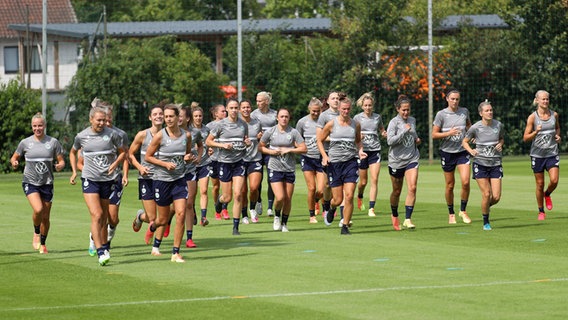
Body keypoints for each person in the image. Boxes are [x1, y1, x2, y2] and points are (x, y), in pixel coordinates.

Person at [69, 105, 126, 266]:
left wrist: (115, 164)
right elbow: (72, 153)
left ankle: (100, 243)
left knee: (105, 218)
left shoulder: (112, 135)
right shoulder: (82, 136)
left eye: (104, 120)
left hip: (107, 180)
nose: (102, 123)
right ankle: (101, 251)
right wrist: (74, 171)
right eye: (98, 120)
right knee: (97, 214)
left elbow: (123, 152)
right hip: (90, 179)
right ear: (91, 120)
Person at [10, 113, 65, 254]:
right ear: (31, 126)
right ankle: (36, 232)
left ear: (44, 126)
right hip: (30, 182)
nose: (37, 128)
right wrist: (15, 163)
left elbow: (61, 160)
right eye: (35, 126)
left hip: (47, 183)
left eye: (40, 125)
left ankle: (43, 243)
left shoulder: (53, 142)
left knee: (46, 217)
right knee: (38, 209)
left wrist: (60, 165)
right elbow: (14, 157)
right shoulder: (25, 143)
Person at [144, 104, 193, 262]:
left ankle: (175, 252)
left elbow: (186, 155)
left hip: (179, 180)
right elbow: (148, 157)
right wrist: (165, 164)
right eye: (166, 117)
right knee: (162, 220)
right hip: (161, 180)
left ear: (178, 118)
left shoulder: (186, 136)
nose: (168, 119)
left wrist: (187, 158)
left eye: (171, 116)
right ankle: (153, 228)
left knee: (181, 214)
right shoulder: (160, 135)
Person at [317, 96, 366, 235]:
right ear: (339, 109)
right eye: (343, 109)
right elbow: (319, 140)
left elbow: (358, 141)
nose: (345, 111)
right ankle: (331, 208)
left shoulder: (355, 124)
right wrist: (325, 156)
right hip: (335, 164)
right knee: (338, 199)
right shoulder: (332, 124)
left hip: (350, 163)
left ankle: (345, 225)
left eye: (348, 109)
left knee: (349, 196)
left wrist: (361, 151)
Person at [206, 98, 251, 236]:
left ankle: (235, 227)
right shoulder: (220, 125)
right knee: (227, 197)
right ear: (227, 109)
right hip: (224, 163)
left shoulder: (243, 124)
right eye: (231, 108)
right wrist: (222, 145)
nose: (234, 110)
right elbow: (208, 141)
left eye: (236, 108)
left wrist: (247, 143)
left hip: (239, 162)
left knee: (238, 194)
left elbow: (244, 141)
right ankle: (220, 202)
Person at [260, 108, 307, 232]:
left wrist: (290, 150)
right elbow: (261, 147)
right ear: (277, 118)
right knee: (280, 197)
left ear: (289, 118)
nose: (284, 119)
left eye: (286, 116)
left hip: (289, 169)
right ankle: (276, 216)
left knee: (287, 198)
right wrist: (271, 152)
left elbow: (304, 148)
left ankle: (284, 223)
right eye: (282, 116)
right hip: (275, 167)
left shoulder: (293, 132)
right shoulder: (271, 131)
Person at [130, 103, 167, 256]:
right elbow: (130, 154)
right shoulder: (143, 135)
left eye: (161, 114)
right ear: (150, 117)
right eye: (155, 114)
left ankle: (156, 248)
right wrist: (140, 167)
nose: (158, 116)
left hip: (164, 178)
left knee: (163, 215)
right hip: (146, 178)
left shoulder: (170, 135)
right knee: (152, 217)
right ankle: (140, 216)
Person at [432, 89, 473, 224]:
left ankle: (463, 210)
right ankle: (451, 213)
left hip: (462, 151)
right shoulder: (441, 115)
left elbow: (469, 126)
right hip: (447, 152)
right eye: (453, 99)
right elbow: (434, 135)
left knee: (466, 181)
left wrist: (472, 136)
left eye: (457, 99)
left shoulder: (464, 111)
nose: (455, 101)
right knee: (450, 185)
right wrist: (448, 133)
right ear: (447, 99)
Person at [462, 100, 504, 231]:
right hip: (480, 164)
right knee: (486, 194)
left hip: (496, 163)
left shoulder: (498, 125)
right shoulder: (475, 127)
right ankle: (486, 221)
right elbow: (465, 142)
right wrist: (471, 151)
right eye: (487, 110)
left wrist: (501, 143)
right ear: (481, 113)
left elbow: (502, 138)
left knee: (495, 197)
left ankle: (485, 207)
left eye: (491, 110)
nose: (490, 112)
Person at [522, 90, 560, 220]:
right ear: (537, 100)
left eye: (547, 99)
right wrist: (535, 132)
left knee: (554, 180)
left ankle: (547, 194)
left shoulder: (554, 115)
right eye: (543, 99)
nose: (545, 101)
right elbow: (525, 138)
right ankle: (541, 211)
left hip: (552, 153)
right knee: (539, 184)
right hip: (537, 155)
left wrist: (557, 136)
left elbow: (557, 128)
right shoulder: (532, 117)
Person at [386, 95, 421, 231]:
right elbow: (390, 141)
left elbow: (413, 134)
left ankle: (407, 219)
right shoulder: (393, 123)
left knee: (412, 187)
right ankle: (394, 215)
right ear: (398, 109)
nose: (406, 113)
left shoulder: (412, 120)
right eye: (403, 110)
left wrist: (416, 139)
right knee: (396, 191)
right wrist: (403, 131)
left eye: (408, 110)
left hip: (412, 158)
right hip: (396, 161)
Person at [101, 101, 130, 246]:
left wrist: (125, 175)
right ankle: (99, 242)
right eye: (103, 119)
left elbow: (125, 156)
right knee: (100, 214)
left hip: (115, 179)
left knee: (113, 218)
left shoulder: (120, 134)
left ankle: (108, 235)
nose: (106, 122)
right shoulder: (94, 135)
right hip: (98, 180)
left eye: (108, 118)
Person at [353, 92, 387, 217]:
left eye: (370, 105)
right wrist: (358, 136)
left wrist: (384, 133)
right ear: (362, 106)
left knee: (375, 179)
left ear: (373, 106)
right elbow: (352, 132)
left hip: (375, 150)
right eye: (366, 105)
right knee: (362, 182)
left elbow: (381, 129)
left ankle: (371, 208)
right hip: (362, 152)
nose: (368, 108)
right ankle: (360, 196)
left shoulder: (377, 117)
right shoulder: (357, 118)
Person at [296, 97, 325, 223]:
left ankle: (317, 200)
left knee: (321, 189)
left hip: (321, 158)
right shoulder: (302, 122)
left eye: (318, 111)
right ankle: (312, 215)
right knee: (311, 188)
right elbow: (296, 139)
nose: (316, 113)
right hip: (307, 158)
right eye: (313, 111)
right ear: (309, 109)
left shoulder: (324, 121)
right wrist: (301, 148)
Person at [180, 105, 203, 248]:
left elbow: (200, 146)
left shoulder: (194, 133)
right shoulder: (168, 133)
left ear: (187, 118)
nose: (178, 118)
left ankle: (189, 238)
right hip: (173, 173)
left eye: (181, 115)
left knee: (189, 204)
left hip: (189, 171)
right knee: (173, 207)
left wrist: (199, 157)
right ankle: (165, 222)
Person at [251, 91, 277, 217]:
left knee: (271, 178)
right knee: (258, 179)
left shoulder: (275, 115)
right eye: (257, 101)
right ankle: (259, 201)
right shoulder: (253, 115)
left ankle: (270, 207)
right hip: (257, 150)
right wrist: (256, 136)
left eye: (260, 101)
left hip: (270, 150)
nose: (258, 103)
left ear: (267, 101)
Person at [316, 91, 341, 217]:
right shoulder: (324, 116)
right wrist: (335, 138)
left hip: (342, 154)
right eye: (333, 98)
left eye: (337, 98)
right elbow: (319, 137)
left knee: (341, 182)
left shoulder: (344, 114)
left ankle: (337, 206)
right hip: (327, 153)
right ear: (328, 101)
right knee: (326, 184)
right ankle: (326, 204)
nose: (336, 100)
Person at [239, 99, 263, 224]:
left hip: (255, 158)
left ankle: (252, 209)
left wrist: (260, 138)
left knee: (254, 188)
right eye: (243, 107)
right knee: (243, 191)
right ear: (239, 109)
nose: (246, 109)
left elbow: (261, 139)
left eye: (248, 107)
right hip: (241, 160)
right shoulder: (237, 124)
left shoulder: (257, 123)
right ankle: (244, 214)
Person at [191, 106, 212, 226]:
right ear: (192, 117)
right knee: (192, 194)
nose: (198, 118)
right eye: (196, 116)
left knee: (204, 190)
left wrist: (210, 150)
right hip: (192, 165)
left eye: (200, 116)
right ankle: (192, 210)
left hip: (204, 163)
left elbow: (210, 143)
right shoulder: (189, 130)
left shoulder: (206, 129)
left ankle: (203, 217)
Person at [207, 104, 229, 220]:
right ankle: (217, 209)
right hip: (214, 160)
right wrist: (208, 149)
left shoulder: (229, 124)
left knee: (227, 187)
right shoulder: (209, 126)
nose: (225, 113)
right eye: (222, 111)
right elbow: (204, 142)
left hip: (225, 160)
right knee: (216, 187)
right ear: (215, 114)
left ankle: (224, 208)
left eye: (225, 111)